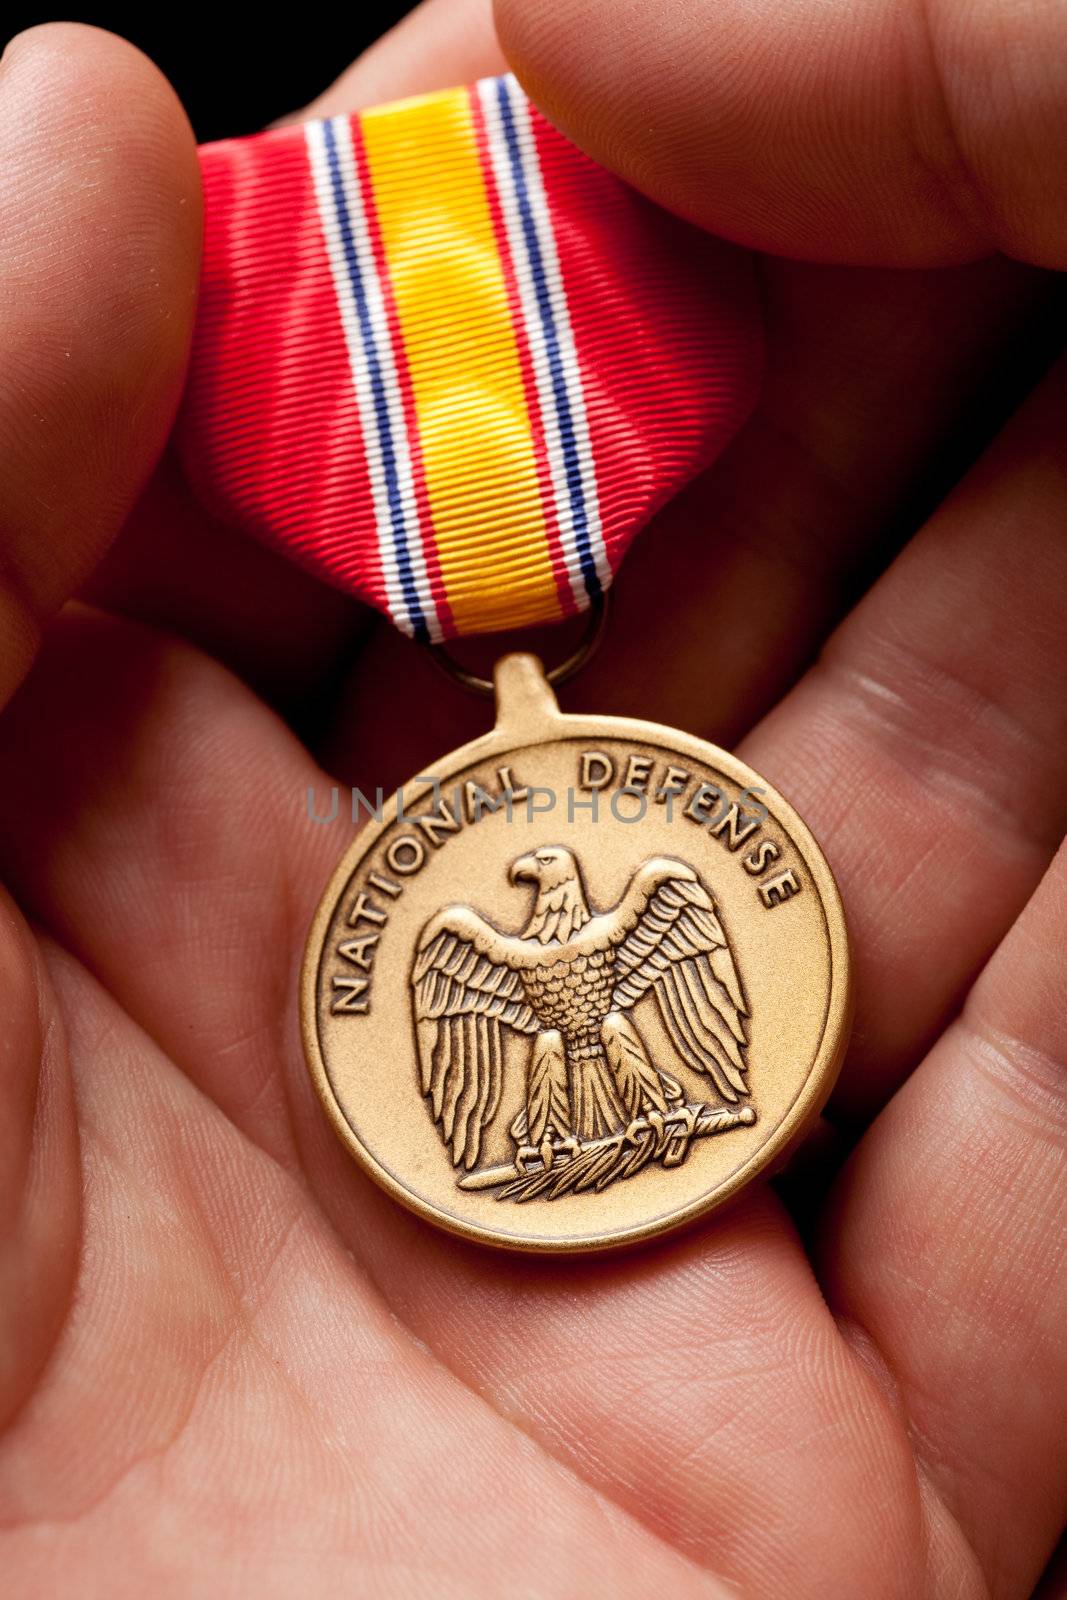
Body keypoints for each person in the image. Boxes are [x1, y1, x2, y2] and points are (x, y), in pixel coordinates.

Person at [0, 1, 1063, 1593]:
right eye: (548, 893)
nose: (551, 892)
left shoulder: (634, 909)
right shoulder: (469, 950)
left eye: (557, 891)